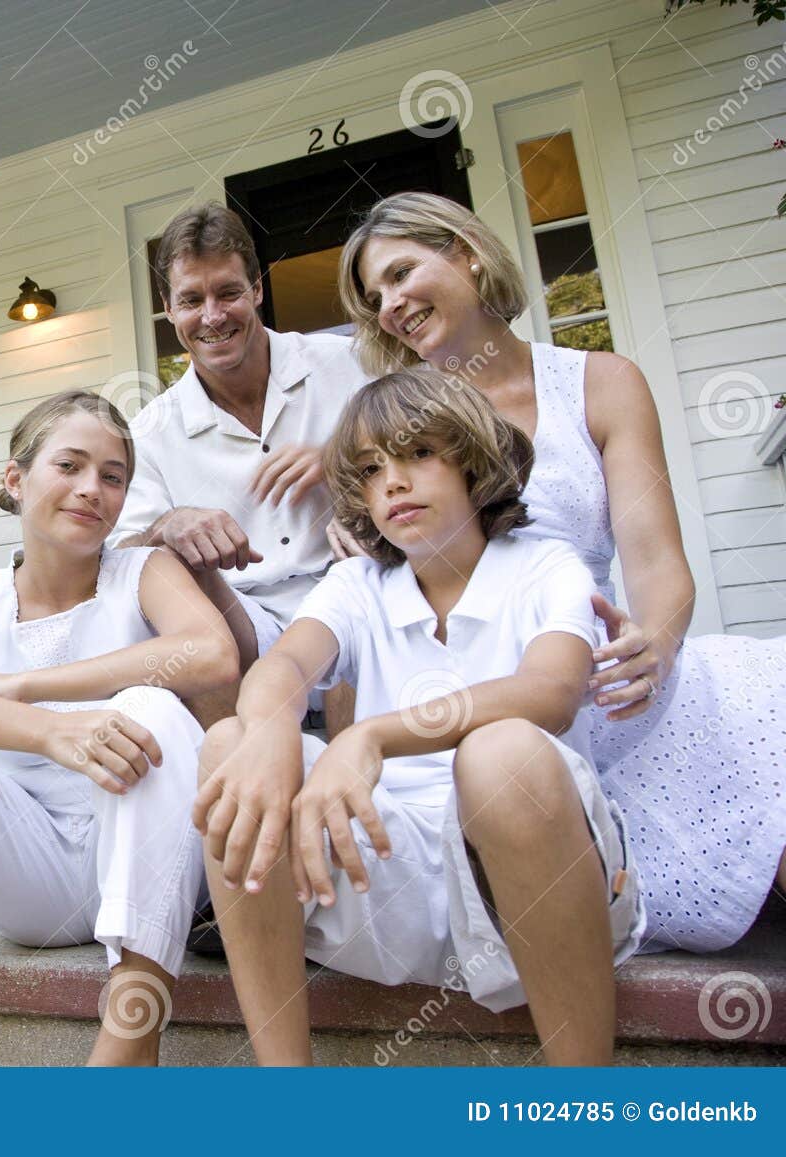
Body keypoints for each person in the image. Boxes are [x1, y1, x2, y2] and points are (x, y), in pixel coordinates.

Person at [337, 191, 786, 951]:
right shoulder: (387, 435)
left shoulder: (601, 382)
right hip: (489, 708)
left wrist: (658, 641)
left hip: (609, 680)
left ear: (467, 252)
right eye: (375, 297)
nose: (390, 305)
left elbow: (658, 562)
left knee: (750, 698)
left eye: (402, 272)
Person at [194, 368, 645, 1066]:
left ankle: (585, 1100)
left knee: (500, 754)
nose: (394, 482)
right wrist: (277, 730)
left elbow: (551, 690)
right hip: (381, 875)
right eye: (372, 471)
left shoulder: (547, 565)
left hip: (531, 888)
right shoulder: (358, 583)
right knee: (232, 743)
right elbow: (281, 669)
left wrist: (371, 735)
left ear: (472, 457)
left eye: (417, 454)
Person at [0, 390, 239, 1066]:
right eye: (70, 465)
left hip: (149, 855)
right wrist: (47, 731)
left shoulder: (145, 570)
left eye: (113, 475)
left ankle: (128, 1044)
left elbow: (210, 653)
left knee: (148, 706)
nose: (93, 489)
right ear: (16, 479)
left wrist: (28, 684)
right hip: (29, 875)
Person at [109, 203, 370, 721]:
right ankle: (240, 786)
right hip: (243, 617)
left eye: (228, 292)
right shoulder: (152, 431)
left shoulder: (346, 364)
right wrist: (169, 524)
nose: (212, 316)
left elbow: (430, 448)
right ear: (168, 307)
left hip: (355, 583)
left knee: (362, 594)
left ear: (256, 289)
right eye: (191, 300)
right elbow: (120, 556)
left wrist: (345, 460)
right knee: (192, 624)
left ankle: (349, 792)